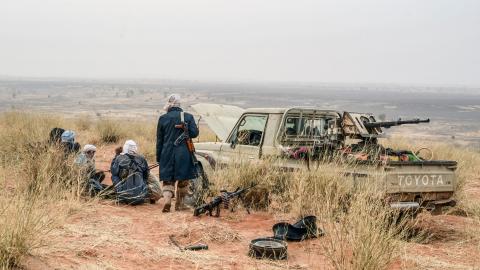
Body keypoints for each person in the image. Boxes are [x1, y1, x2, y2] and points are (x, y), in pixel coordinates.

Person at [156, 94, 199, 212]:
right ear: (180, 104)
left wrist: (159, 157)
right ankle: (180, 205)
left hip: (166, 153)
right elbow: (194, 134)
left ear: (169, 103)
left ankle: (167, 200)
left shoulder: (163, 118)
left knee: (168, 180)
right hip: (184, 154)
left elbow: (159, 140)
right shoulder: (188, 117)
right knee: (183, 180)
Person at [111, 140, 161, 205]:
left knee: (114, 176)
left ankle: (120, 193)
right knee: (145, 177)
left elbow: (113, 171)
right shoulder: (142, 159)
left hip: (124, 197)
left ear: (125, 148)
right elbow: (146, 175)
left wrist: (116, 156)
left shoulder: (119, 158)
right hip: (141, 197)